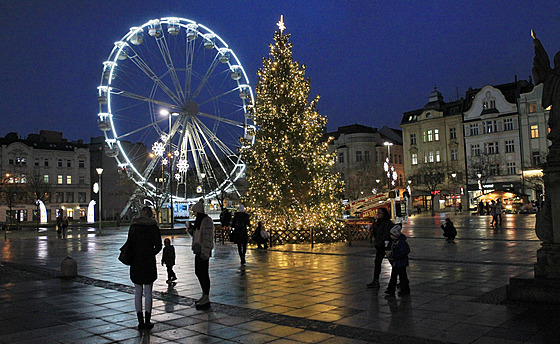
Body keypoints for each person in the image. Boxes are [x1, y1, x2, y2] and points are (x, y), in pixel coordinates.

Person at [126, 206, 162, 331]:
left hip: (136, 261)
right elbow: (158, 246)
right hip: (148, 261)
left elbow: (129, 244)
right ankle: (147, 320)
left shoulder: (134, 227)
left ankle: (140, 321)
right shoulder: (153, 227)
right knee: (148, 292)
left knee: (137, 291)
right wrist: (150, 252)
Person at [190, 200, 214, 308]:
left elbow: (207, 238)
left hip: (203, 251)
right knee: (198, 272)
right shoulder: (199, 222)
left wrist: (205, 252)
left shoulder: (206, 221)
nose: (193, 214)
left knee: (203, 273)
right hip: (198, 250)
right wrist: (190, 229)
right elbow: (196, 236)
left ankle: (206, 296)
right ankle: (204, 295)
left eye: (194, 212)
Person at [367, 207, 394, 288]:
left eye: (379, 213)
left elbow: (386, 234)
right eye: (377, 213)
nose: (378, 215)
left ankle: (401, 279)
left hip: (386, 246)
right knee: (377, 263)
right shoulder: (378, 223)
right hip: (379, 246)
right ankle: (376, 280)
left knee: (393, 263)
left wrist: (384, 243)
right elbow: (375, 232)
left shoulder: (387, 223)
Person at [384, 225, 410, 297]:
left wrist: (392, 256)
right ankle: (392, 289)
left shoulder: (400, 242)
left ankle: (402, 290)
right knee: (396, 276)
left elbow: (402, 252)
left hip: (400, 262)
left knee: (401, 276)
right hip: (397, 262)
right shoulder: (395, 241)